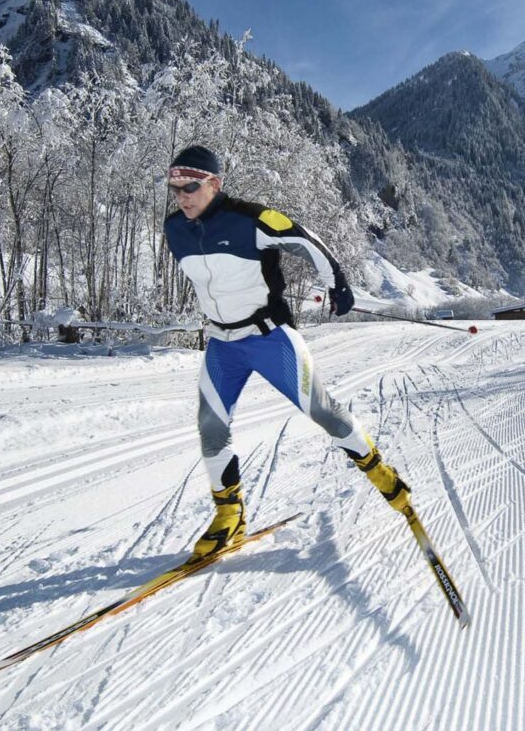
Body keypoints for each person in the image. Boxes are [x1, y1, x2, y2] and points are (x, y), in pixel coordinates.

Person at [163, 145, 410, 563]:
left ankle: (381, 473)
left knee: (324, 413)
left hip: (269, 338)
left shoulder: (249, 218)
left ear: (215, 184)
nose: (183, 196)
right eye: (176, 189)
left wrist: (338, 283)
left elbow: (303, 238)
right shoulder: (175, 229)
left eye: (191, 186)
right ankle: (229, 515)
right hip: (222, 346)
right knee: (210, 427)